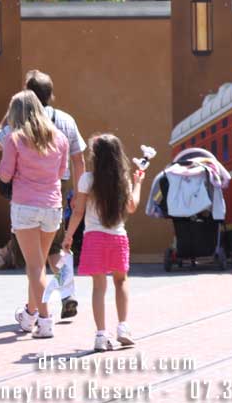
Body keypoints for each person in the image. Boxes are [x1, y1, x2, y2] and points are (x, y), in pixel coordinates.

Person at [0, 70, 86, 319]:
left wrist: (9, 113)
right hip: (57, 192)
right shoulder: (65, 121)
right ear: (51, 93)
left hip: (26, 198)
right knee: (57, 248)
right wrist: (79, 192)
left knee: (35, 263)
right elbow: (77, 160)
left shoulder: (17, 127)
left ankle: (41, 316)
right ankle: (65, 294)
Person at [0, 90, 69, 339]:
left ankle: (46, 320)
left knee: (35, 266)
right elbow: (62, 171)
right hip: (52, 206)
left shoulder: (14, 139)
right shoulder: (59, 138)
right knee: (37, 265)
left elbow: (5, 175)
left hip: (25, 206)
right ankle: (29, 315)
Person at [64, 134, 144, 352]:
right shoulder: (123, 181)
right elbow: (132, 206)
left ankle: (101, 335)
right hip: (118, 237)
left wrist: (68, 235)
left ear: (96, 156)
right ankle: (123, 328)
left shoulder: (87, 180)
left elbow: (78, 211)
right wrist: (138, 184)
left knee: (99, 287)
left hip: (94, 238)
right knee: (121, 282)